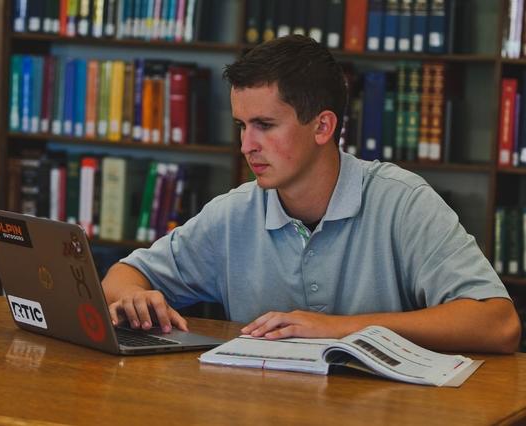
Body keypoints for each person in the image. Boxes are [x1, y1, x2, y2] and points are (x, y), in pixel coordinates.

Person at [102, 35, 521, 353]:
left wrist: (342, 327)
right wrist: (135, 297)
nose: (247, 145)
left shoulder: (403, 201)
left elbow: (499, 324)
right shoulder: (233, 212)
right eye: (241, 126)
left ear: (323, 127)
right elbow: (119, 279)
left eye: (265, 125)